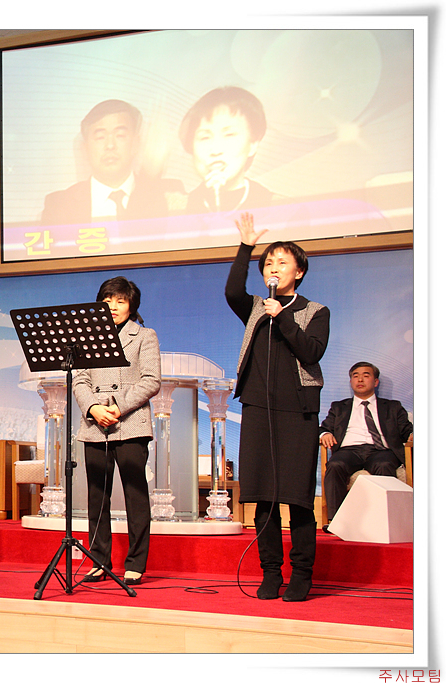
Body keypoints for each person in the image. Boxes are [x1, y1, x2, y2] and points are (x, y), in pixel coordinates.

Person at [226, 212, 329, 602]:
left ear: (298, 272)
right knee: (264, 498)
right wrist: (246, 247)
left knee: (298, 498)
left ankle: (302, 574)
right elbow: (232, 292)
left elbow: (311, 351)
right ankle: (271, 572)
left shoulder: (315, 311)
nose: (273, 267)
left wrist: (282, 317)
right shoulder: (256, 306)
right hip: (257, 409)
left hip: (298, 413)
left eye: (282, 262)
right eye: (269, 262)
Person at [71, 276, 161, 586]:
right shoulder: (88, 337)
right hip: (95, 424)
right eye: (107, 300)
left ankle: (136, 563)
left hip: (130, 423)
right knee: (97, 495)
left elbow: (151, 380)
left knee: (135, 494)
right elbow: (80, 379)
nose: (113, 306)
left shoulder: (145, 335)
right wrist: (93, 409)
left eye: (120, 301)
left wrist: (117, 407)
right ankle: (99, 560)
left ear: (131, 305)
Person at [41, 99, 173, 226]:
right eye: (100, 137)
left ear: (136, 144)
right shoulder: (59, 206)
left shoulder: (167, 197)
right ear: (85, 149)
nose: (110, 145)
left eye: (120, 135)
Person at [320, 362, 413, 518]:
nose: (360, 380)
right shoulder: (339, 407)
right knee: (335, 465)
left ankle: (385, 519)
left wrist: (412, 434)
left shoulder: (392, 407)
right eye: (355, 376)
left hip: (381, 451)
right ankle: (335, 521)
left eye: (366, 375)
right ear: (351, 382)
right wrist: (325, 434)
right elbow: (324, 428)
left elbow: (406, 430)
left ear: (375, 382)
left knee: (384, 465)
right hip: (349, 451)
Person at [180, 86, 274, 214]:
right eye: (205, 137)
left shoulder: (280, 209)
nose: (215, 150)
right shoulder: (176, 209)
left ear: (252, 145)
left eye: (229, 135)